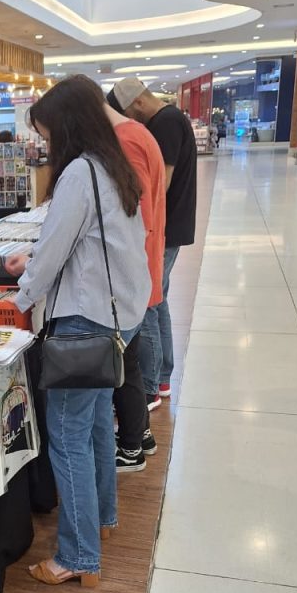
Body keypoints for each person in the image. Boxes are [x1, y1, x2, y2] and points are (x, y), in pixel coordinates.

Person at [5, 76, 151, 587]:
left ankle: (78, 555)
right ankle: (102, 520)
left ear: (64, 127)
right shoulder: (114, 167)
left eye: (46, 135)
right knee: (92, 426)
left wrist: (19, 299)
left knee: (67, 435)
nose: (46, 146)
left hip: (87, 319)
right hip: (120, 315)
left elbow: (50, 257)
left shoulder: (79, 175)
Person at [107, 77, 197, 409]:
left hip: (164, 227)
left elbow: (159, 183)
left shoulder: (166, 123)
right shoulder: (168, 120)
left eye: (130, 113)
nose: (131, 120)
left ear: (139, 103)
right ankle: (162, 376)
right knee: (158, 300)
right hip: (169, 225)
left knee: (149, 302)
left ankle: (153, 382)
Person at [99, 90, 166, 470]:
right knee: (131, 358)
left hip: (132, 270)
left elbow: (132, 212)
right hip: (142, 266)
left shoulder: (125, 140)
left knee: (121, 362)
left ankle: (130, 447)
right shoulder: (138, 133)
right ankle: (139, 434)